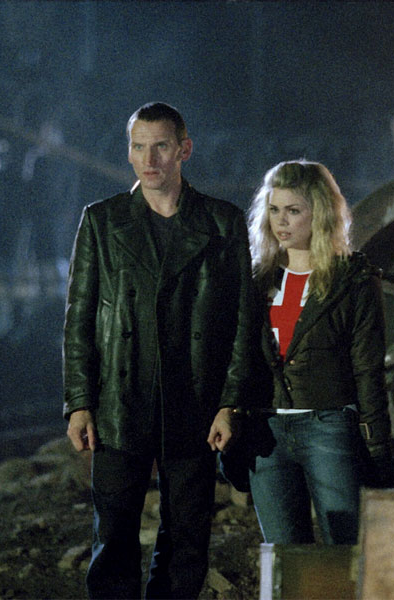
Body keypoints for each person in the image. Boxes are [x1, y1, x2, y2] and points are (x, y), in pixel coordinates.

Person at [63, 102, 257, 599]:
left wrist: (230, 403)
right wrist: (80, 402)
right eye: (139, 147)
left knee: (187, 541)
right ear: (128, 152)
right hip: (119, 402)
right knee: (113, 538)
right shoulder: (102, 222)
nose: (149, 159)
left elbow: (242, 322)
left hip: (193, 403)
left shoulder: (222, 223)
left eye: (161, 146)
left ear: (184, 150)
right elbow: (80, 320)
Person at [246, 159, 394, 546]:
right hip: (266, 431)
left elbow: (367, 368)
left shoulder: (353, 281)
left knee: (343, 550)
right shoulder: (256, 281)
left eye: (293, 211)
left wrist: (377, 444)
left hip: (328, 425)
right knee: (282, 557)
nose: (281, 222)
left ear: (321, 213)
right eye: (274, 210)